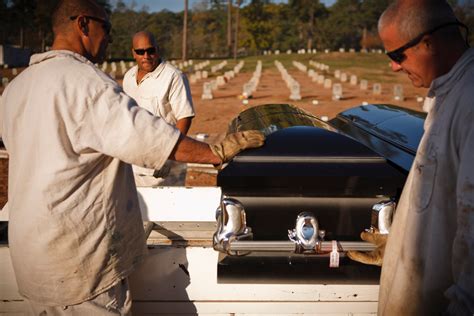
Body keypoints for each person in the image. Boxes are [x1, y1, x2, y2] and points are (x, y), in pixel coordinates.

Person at [0, 0, 264, 314]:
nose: (110, 38)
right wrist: (215, 152)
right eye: (106, 28)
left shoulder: (16, 88)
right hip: (78, 262)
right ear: (83, 24)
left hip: (31, 254)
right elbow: (148, 136)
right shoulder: (85, 84)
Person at [347, 0, 474, 314]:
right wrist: (399, 248)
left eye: (396, 55)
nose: (393, 66)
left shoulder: (469, 102)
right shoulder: (447, 95)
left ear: (428, 43)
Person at [123, 31, 194, 186]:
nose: (146, 56)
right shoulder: (128, 77)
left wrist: (168, 156)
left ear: (157, 49)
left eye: (151, 50)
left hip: (164, 166)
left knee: (165, 209)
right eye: (140, 52)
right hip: (134, 163)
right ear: (133, 53)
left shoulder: (173, 76)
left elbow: (185, 117)